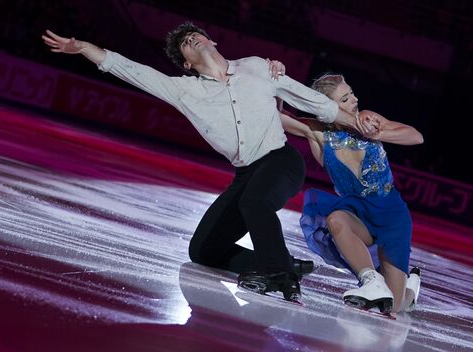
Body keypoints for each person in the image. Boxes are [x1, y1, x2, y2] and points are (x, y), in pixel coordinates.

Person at [41, 23, 375, 302]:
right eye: (184, 44)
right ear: (186, 63)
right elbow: (133, 72)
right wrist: (85, 48)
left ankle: (280, 277)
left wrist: (354, 121)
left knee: (255, 202)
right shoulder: (184, 91)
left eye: (194, 34)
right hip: (246, 173)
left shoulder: (258, 66)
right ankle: (282, 262)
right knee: (203, 249)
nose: (191, 38)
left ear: (211, 40)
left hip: (282, 162)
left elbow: (309, 98)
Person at [278, 73, 422, 313]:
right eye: (345, 99)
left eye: (351, 93)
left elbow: (416, 136)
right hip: (356, 213)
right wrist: (276, 84)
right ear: (328, 107)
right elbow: (279, 117)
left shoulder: (369, 120)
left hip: (392, 215)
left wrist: (377, 133)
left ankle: (410, 287)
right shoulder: (319, 134)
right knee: (336, 219)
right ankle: (370, 280)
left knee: (394, 307)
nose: (354, 100)